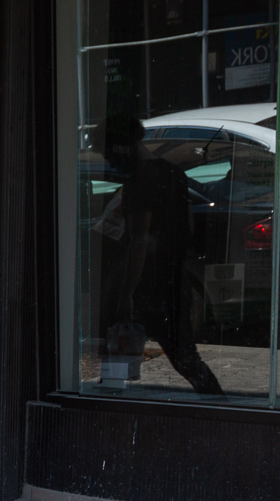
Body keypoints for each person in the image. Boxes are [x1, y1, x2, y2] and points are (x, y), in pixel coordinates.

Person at [96, 113, 224, 397]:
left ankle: (110, 403)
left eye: (108, 155)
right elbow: (188, 225)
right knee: (184, 356)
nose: (109, 163)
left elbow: (139, 238)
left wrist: (126, 293)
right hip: (172, 278)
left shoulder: (140, 179)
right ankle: (217, 400)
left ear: (120, 147)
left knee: (116, 349)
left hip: (149, 283)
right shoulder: (173, 172)